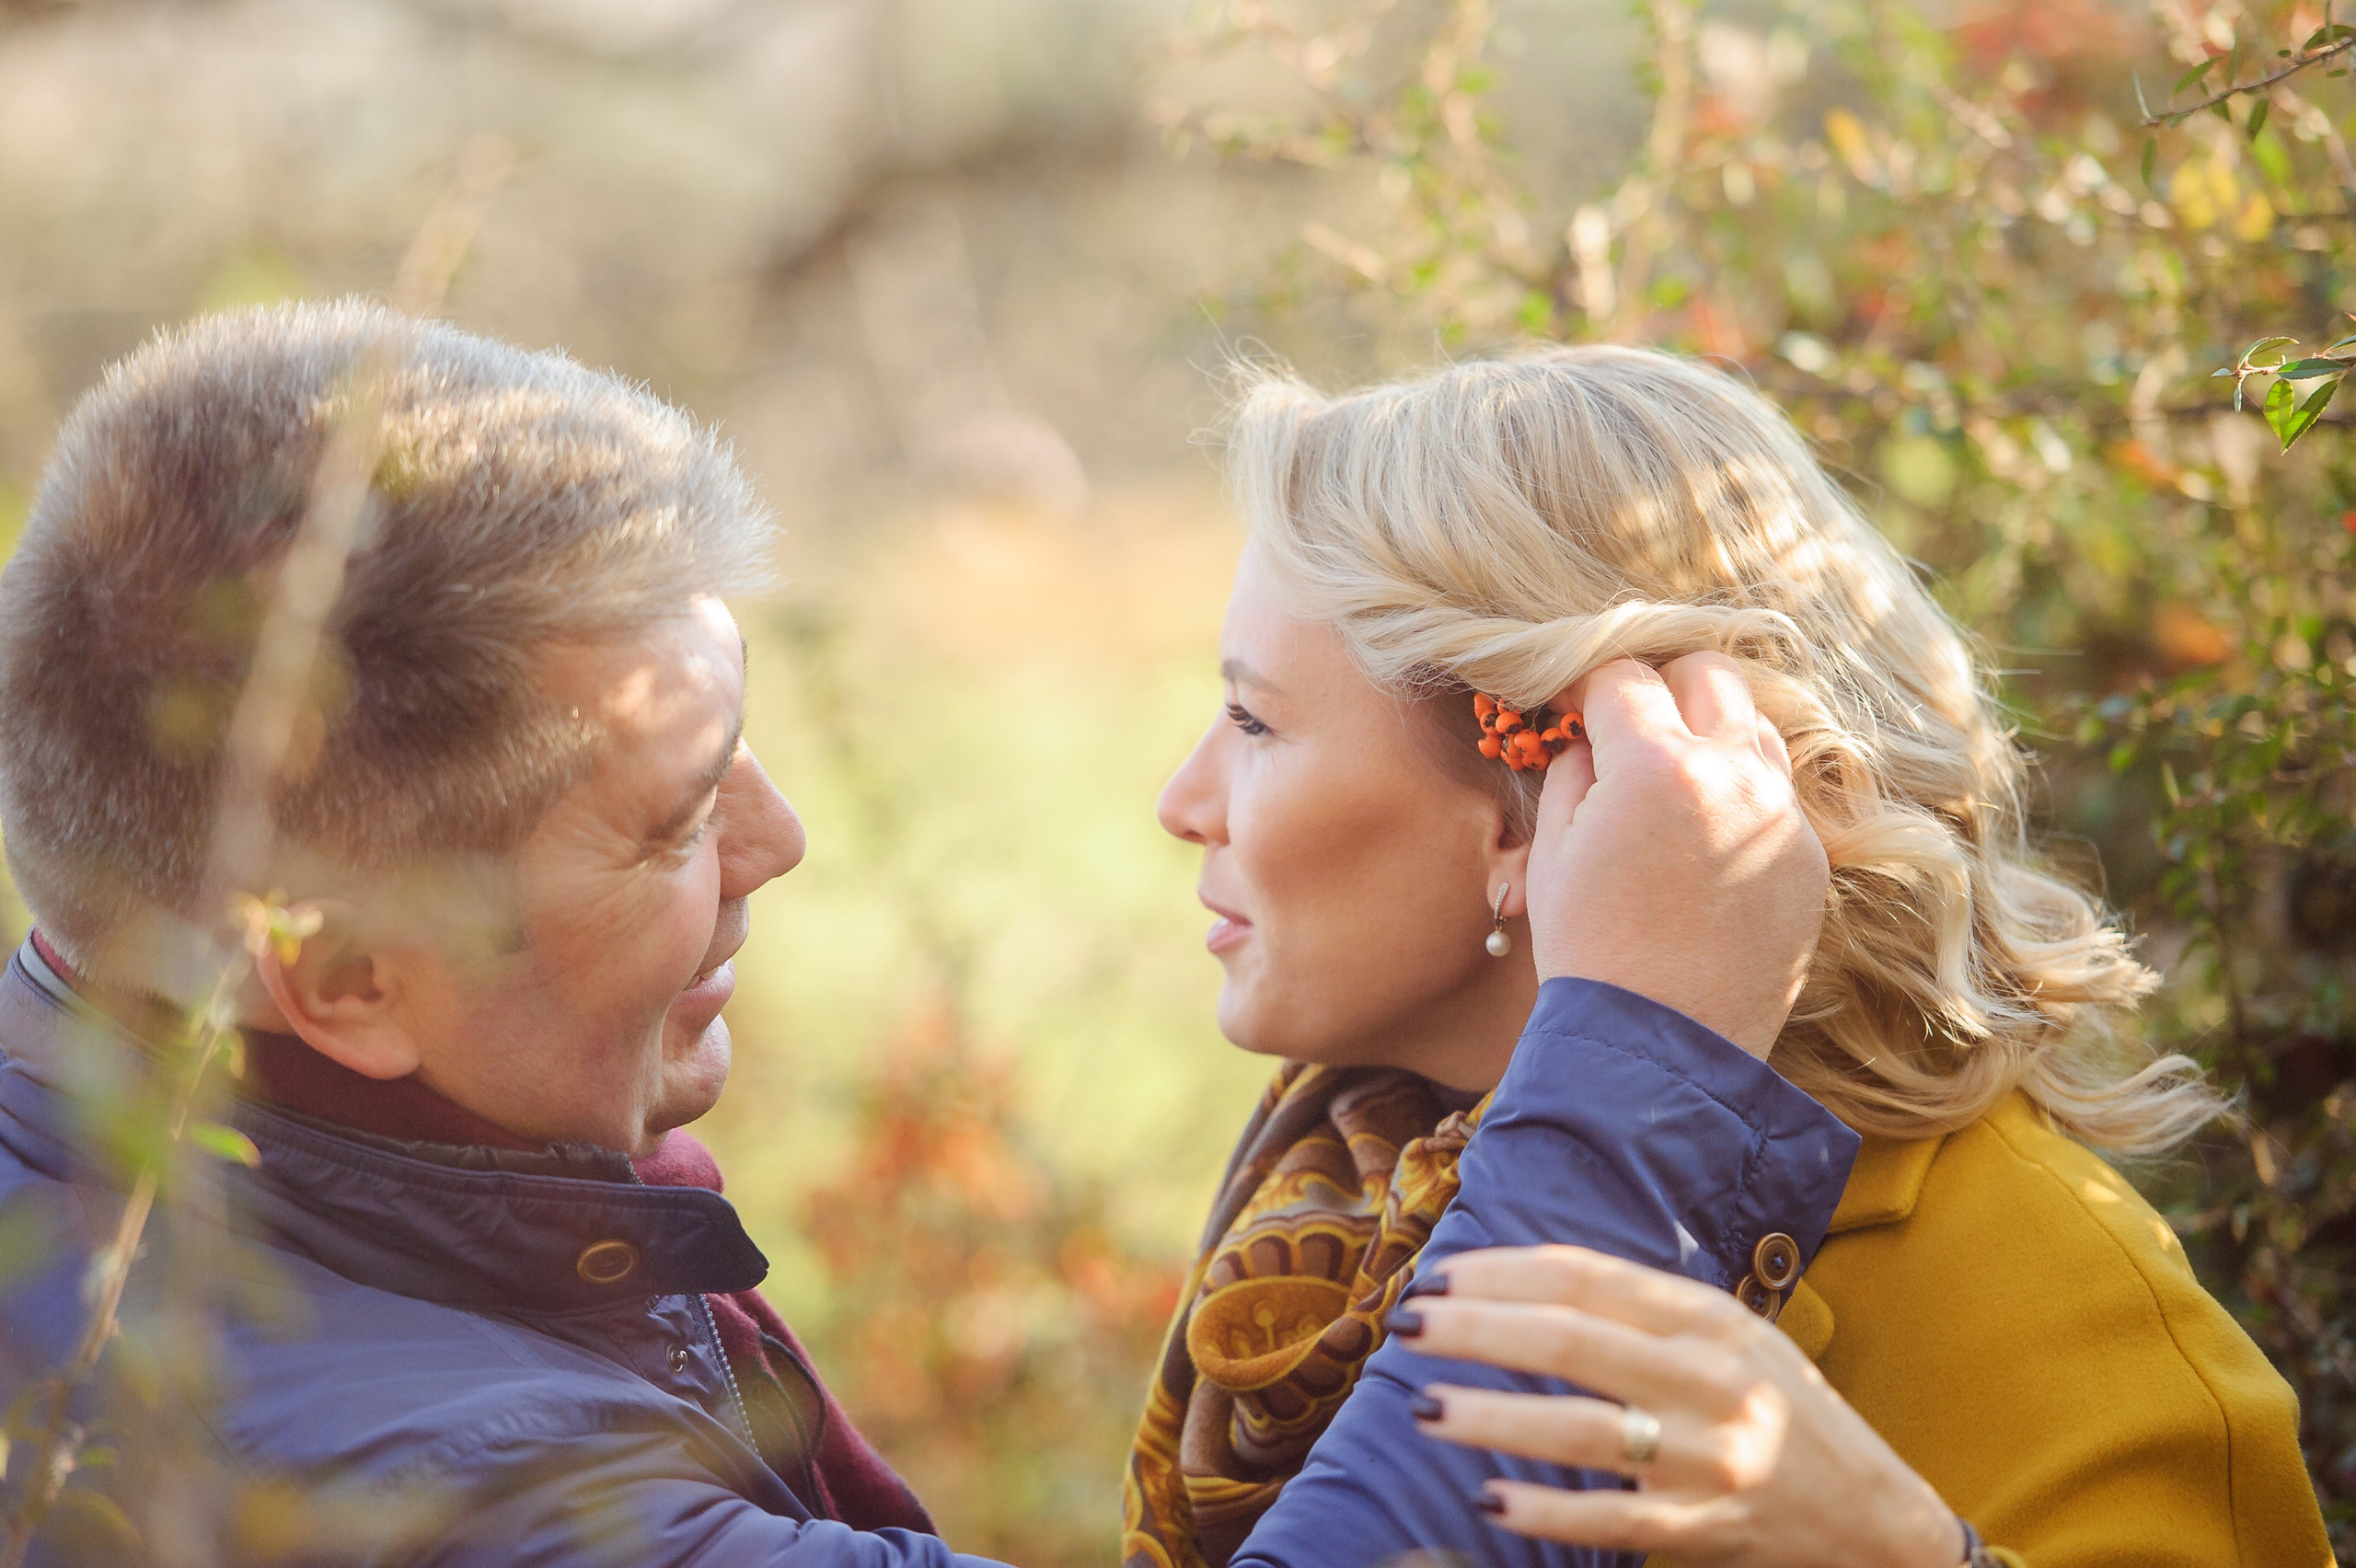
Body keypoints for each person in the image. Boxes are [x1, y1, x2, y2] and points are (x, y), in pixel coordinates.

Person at [0, 302, 1854, 1567]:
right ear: (336, 975)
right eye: (666, 819)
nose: (778, 842)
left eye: (740, 751)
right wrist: (1641, 1073)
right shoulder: (430, 1484)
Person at [1138, 346, 2334, 1567]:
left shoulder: (2060, 1310)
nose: (1183, 800)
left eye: (1253, 722)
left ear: (1549, 793)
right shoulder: (1334, 1190)